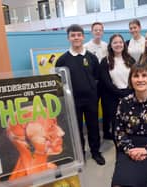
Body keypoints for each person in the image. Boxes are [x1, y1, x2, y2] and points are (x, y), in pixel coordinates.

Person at [55, 24, 105, 165]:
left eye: (78, 35)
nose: (76, 38)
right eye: (73, 35)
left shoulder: (92, 58)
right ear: (68, 38)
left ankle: (95, 152)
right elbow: (59, 82)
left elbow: (96, 77)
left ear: (83, 37)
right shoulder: (62, 60)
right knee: (76, 129)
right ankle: (80, 154)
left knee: (93, 127)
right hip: (73, 101)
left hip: (91, 100)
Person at [6, 106, 65, 180]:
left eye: (55, 125)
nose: (61, 133)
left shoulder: (52, 168)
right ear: (25, 142)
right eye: (50, 127)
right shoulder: (18, 181)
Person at [99, 34, 135, 139]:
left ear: (124, 44)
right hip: (113, 97)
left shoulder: (130, 60)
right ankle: (119, 146)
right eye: (115, 42)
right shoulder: (105, 61)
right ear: (111, 45)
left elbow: (135, 76)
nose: (118, 44)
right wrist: (120, 94)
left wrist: (129, 92)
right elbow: (106, 82)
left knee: (130, 121)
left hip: (130, 95)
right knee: (117, 125)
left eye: (120, 42)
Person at [84, 22, 109, 140]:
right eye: (95, 30)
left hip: (105, 83)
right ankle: (95, 135)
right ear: (92, 32)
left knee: (106, 107)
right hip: (93, 84)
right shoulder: (86, 47)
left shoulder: (106, 46)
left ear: (103, 32)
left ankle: (106, 131)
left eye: (100, 30)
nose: (98, 32)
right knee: (93, 109)